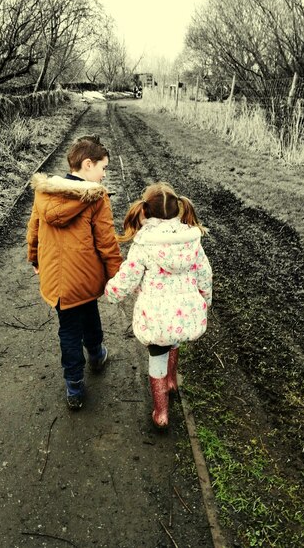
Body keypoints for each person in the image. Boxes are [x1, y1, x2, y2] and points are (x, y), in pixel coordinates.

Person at [26, 135, 123, 410]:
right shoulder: (96, 198)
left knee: (68, 329)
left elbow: (34, 229)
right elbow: (106, 243)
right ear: (88, 164)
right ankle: (96, 354)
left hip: (56, 281)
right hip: (84, 276)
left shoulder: (44, 192)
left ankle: (75, 387)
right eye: (103, 168)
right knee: (89, 312)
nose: (104, 176)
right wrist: (117, 277)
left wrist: (35, 259)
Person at [104, 182, 212, 428]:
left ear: (146, 212)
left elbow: (128, 277)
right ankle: (172, 382)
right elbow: (205, 274)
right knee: (174, 338)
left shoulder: (144, 245)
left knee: (157, 356)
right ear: (178, 211)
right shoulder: (191, 240)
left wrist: (111, 291)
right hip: (184, 312)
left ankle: (161, 413)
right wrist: (205, 301)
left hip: (155, 316)